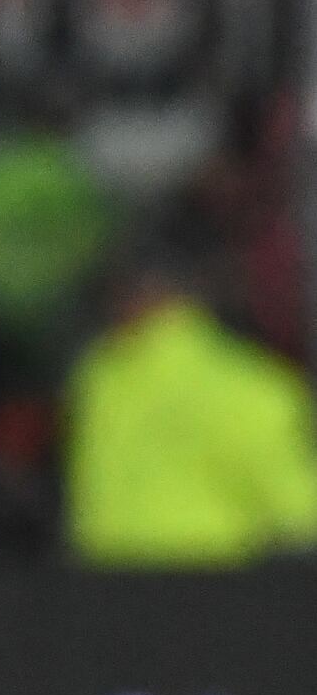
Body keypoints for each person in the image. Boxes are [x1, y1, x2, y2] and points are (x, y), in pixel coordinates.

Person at [61, 242, 317, 570]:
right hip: (217, 591)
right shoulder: (260, 389)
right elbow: (300, 517)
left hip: (103, 591)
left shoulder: (98, 378)